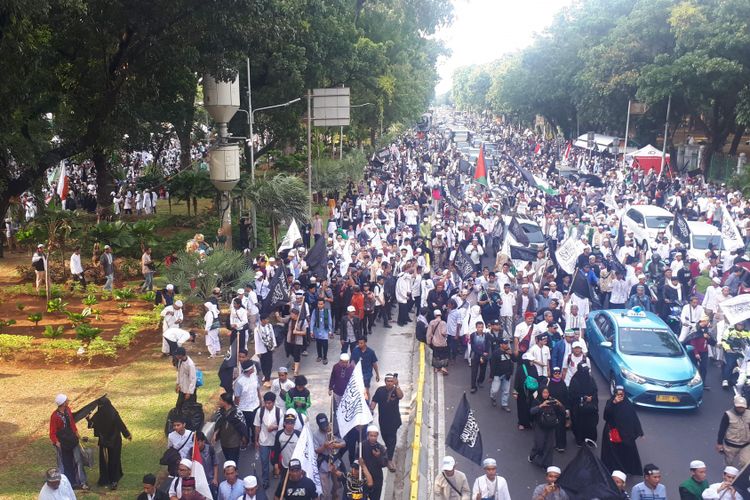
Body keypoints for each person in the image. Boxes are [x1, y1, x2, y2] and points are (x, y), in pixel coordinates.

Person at [85, 396, 131, 489]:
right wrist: (127, 435)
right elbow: (121, 425)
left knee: (106, 460)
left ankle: (107, 479)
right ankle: (114, 480)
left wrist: (88, 419)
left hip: (105, 442)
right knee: (114, 459)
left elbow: (91, 425)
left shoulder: (99, 414)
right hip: (115, 441)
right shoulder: (113, 413)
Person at [602, 386, 644, 476]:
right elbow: (606, 416)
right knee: (613, 453)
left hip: (626, 434)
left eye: (622, 394)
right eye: (618, 394)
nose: (620, 396)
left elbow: (634, 418)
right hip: (613, 432)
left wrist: (639, 431)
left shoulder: (627, 403)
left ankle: (627, 470)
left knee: (627, 451)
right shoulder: (610, 402)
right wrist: (614, 403)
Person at [49, 393, 88, 490]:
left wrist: (77, 434)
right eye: (66, 400)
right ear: (63, 403)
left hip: (72, 440)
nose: (68, 401)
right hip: (63, 443)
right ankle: (69, 483)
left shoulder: (68, 410)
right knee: (66, 463)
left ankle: (82, 482)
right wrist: (57, 443)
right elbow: (52, 432)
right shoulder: (54, 416)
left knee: (78, 460)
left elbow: (72, 424)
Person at [370, 373, 404, 471]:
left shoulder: (396, 390)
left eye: (391, 381)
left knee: (392, 440)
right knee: (385, 437)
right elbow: (374, 401)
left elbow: (401, 396)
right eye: (388, 381)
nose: (390, 383)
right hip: (383, 421)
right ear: (385, 382)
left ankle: (389, 459)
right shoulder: (380, 390)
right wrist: (370, 410)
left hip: (394, 421)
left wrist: (397, 385)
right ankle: (389, 451)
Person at [529, 387, 565, 468]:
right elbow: (531, 411)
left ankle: (546, 463)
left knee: (549, 446)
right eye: (544, 393)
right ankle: (532, 455)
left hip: (551, 425)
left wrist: (559, 404)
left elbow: (563, 411)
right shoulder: (536, 400)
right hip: (539, 425)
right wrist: (541, 406)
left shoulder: (552, 401)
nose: (546, 395)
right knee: (539, 444)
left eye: (547, 393)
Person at [312, 413, 346, 499]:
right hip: (324, 463)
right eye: (322, 426)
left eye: (325, 425)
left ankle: (334, 493)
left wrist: (337, 445)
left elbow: (344, 442)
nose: (325, 427)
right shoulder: (315, 435)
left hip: (335, 461)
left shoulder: (333, 430)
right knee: (324, 489)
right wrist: (324, 446)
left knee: (337, 484)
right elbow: (316, 450)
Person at [254, 392, 282, 490]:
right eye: (266, 403)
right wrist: (256, 440)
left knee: (275, 460)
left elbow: (283, 427)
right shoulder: (260, 412)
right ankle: (265, 480)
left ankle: (275, 469)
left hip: (275, 441)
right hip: (263, 441)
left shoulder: (279, 412)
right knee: (264, 461)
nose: (267, 405)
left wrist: (275, 427)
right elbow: (257, 427)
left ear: (274, 402)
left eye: (269, 403)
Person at [567, 362, 598, 447]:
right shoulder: (574, 380)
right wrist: (583, 397)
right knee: (579, 424)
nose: (586, 373)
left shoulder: (591, 379)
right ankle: (579, 440)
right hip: (578, 409)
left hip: (590, 408)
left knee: (591, 424)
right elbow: (572, 395)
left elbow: (595, 390)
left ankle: (591, 439)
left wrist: (592, 397)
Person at [213, 393, 248, 465]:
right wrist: (215, 434)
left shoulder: (237, 412)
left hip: (234, 443)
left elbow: (242, 426)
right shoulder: (220, 412)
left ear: (225, 402)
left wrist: (244, 438)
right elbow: (218, 423)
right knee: (228, 460)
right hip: (224, 442)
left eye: (220, 400)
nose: (219, 401)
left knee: (233, 462)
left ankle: (234, 473)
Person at [716, 396, 750, 469]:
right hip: (731, 445)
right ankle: (729, 478)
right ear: (735, 406)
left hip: (746, 444)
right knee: (729, 465)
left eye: (742, 407)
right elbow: (722, 429)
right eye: (739, 407)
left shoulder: (749, 414)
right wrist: (719, 443)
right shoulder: (728, 415)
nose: (741, 409)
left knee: (745, 463)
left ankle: (741, 477)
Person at [234, 360, 261, 447]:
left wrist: (261, 400)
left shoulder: (254, 376)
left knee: (255, 425)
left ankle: (254, 440)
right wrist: (236, 409)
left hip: (255, 406)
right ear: (249, 369)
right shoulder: (239, 382)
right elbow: (237, 397)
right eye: (252, 367)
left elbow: (257, 389)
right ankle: (245, 441)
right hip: (245, 409)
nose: (254, 368)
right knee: (245, 427)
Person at [362, 425, 388, 500]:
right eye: (371, 435)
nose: (373, 438)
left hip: (377, 478)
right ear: (368, 435)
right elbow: (357, 459)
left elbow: (384, 464)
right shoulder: (362, 446)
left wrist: (378, 457)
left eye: (375, 436)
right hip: (365, 477)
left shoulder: (380, 448)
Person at [514, 352, 539, 430]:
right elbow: (517, 380)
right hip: (522, 392)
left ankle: (530, 421)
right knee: (522, 407)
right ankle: (522, 423)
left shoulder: (534, 367)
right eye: (530, 360)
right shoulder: (520, 369)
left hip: (532, 391)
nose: (532, 362)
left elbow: (536, 378)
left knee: (531, 406)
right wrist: (515, 392)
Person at [489, 337, 514, 411]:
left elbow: (515, 360)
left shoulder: (509, 352)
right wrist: (491, 376)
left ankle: (504, 404)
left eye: (508, 343)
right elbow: (492, 365)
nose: (507, 345)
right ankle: (492, 397)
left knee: (506, 391)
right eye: (505, 343)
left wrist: (511, 354)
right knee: (494, 390)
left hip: (507, 375)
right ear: (501, 345)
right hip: (497, 375)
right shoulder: (496, 353)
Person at [468, 320, 492, 392]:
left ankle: (480, 381)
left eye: (482, 327)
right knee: (474, 371)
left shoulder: (486, 335)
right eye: (479, 327)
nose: (480, 329)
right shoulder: (472, 335)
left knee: (483, 371)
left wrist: (486, 353)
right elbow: (473, 347)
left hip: (484, 355)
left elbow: (488, 345)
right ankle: (473, 386)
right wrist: (481, 353)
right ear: (476, 328)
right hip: (475, 355)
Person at [254, 313, 277, 386]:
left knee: (269, 363)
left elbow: (272, 335)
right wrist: (257, 351)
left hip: (269, 347)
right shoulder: (257, 329)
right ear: (262, 320)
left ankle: (268, 378)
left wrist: (274, 345)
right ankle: (265, 375)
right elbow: (257, 341)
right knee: (263, 363)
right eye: (266, 319)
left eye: (268, 319)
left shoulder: (269, 326)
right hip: (262, 348)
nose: (268, 320)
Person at [311, 298, 334, 364]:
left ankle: (325, 357)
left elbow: (330, 321)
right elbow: (312, 320)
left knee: (325, 344)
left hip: (325, 330)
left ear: (324, 304)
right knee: (318, 344)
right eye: (319, 304)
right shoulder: (315, 311)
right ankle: (319, 356)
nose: (320, 305)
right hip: (317, 330)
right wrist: (311, 331)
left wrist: (330, 331)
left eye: (321, 304)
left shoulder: (327, 311)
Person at [428, 309, 450, 375]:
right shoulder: (443, 323)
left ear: (434, 315)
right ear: (441, 315)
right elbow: (443, 332)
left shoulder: (432, 322)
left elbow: (429, 333)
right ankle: (443, 367)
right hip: (442, 343)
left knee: (436, 355)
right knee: (443, 355)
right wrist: (446, 335)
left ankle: (436, 368)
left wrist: (428, 342)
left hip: (435, 342)